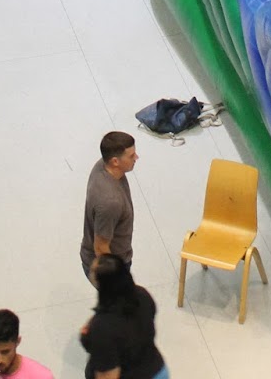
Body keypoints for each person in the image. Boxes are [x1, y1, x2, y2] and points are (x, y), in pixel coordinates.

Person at [79, 256, 168, 379]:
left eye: (93, 271)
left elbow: (108, 376)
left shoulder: (102, 328)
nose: (90, 271)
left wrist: (89, 337)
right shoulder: (142, 295)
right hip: (158, 370)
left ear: (103, 285)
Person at [81, 131, 138, 281]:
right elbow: (101, 248)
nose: (136, 158)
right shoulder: (110, 202)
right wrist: (115, 281)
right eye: (131, 156)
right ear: (115, 161)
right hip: (110, 268)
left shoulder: (102, 164)